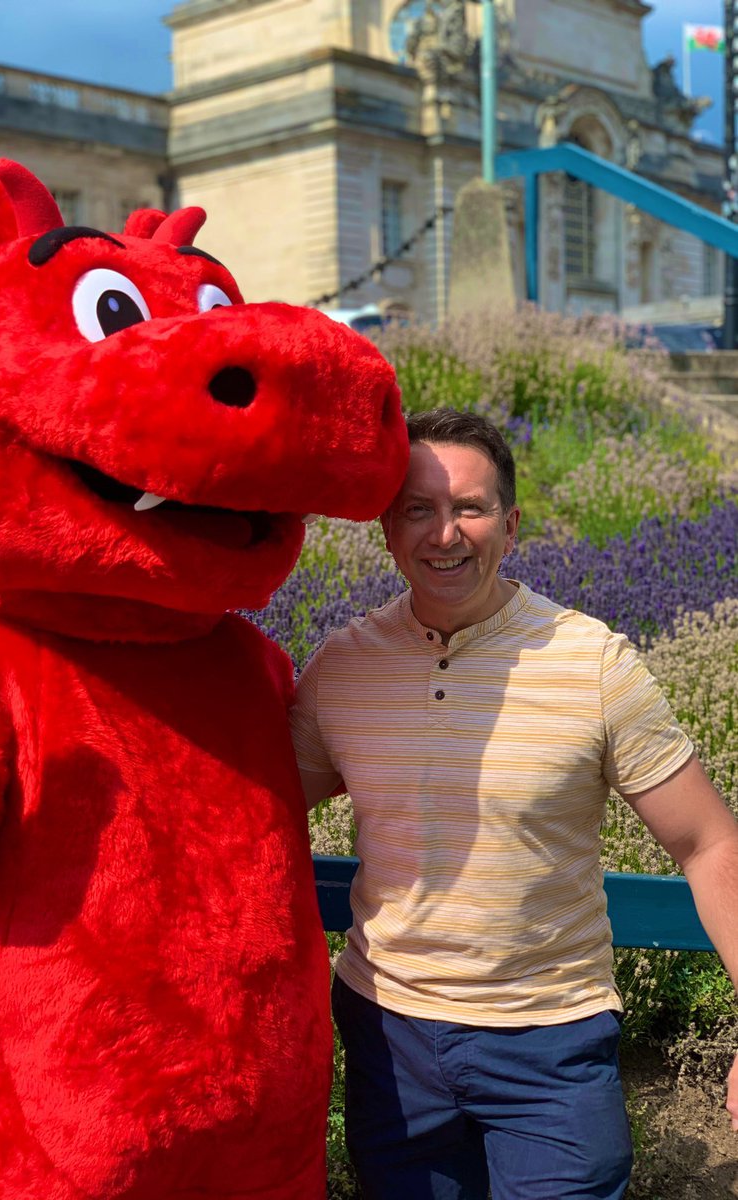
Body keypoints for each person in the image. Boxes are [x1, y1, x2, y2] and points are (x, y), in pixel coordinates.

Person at [290, 408, 738, 1200]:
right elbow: (247, 817)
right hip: (388, 1040)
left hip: (550, 1045)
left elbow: (708, 844)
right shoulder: (341, 669)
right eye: (418, 510)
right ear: (388, 529)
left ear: (511, 522)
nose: (445, 534)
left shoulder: (594, 663)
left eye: (469, 507)